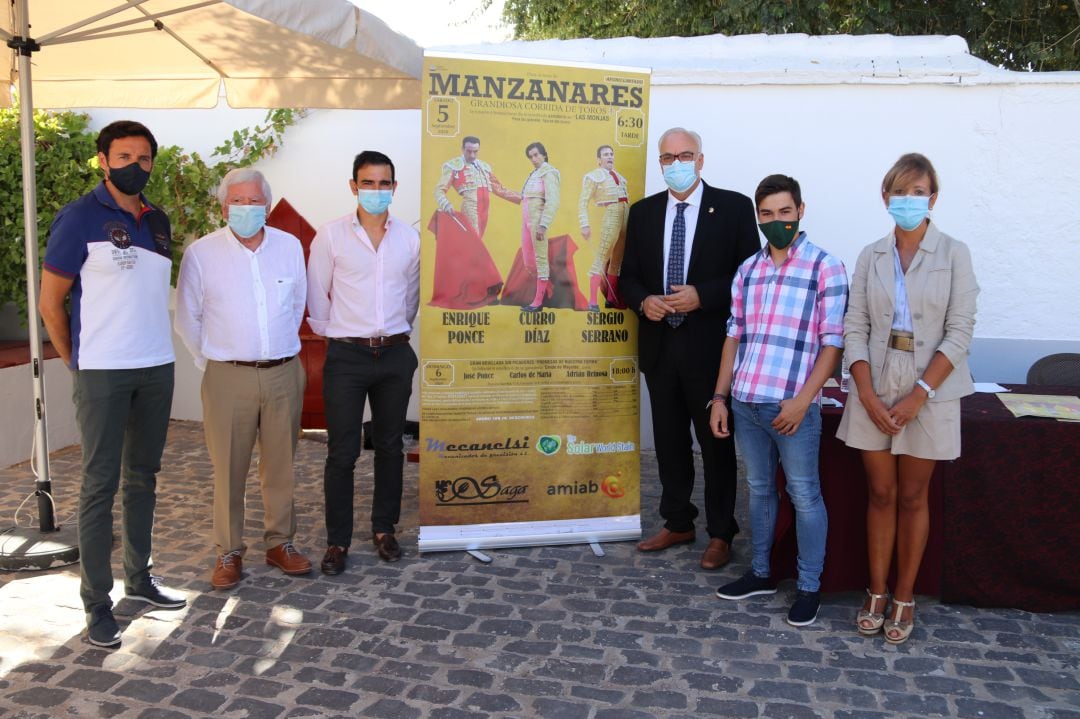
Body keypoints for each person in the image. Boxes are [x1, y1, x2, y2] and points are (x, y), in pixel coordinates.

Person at [39, 120, 186, 648]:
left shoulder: (158, 221)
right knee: (99, 486)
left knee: (143, 476)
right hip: (101, 371)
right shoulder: (79, 218)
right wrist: (77, 362)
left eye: (145, 158)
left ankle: (140, 578)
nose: (135, 166)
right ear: (103, 159)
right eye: (124, 156)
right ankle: (97, 604)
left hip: (156, 367)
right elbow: (50, 302)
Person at [837, 153, 978, 644]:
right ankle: (875, 589)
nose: (909, 201)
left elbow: (960, 332)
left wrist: (920, 393)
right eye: (900, 192)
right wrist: (866, 391)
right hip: (874, 380)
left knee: (915, 496)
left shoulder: (953, 253)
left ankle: (904, 594)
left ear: (933, 198)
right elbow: (854, 325)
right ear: (885, 198)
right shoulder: (869, 255)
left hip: (931, 386)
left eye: (918, 192)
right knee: (880, 493)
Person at [710, 175, 849, 626]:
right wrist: (720, 398)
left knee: (805, 495)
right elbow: (734, 337)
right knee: (759, 490)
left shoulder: (825, 267)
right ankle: (762, 572)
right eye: (766, 214)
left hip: (793, 407)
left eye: (784, 213)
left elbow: (833, 344)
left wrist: (804, 400)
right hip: (747, 403)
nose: (776, 222)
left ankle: (809, 587)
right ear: (759, 217)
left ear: (800, 211)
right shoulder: (748, 270)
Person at [620, 127, 760, 569]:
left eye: (685, 155)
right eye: (667, 157)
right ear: (660, 163)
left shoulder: (734, 208)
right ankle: (678, 520)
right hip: (661, 347)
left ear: (700, 160)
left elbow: (748, 275)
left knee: (716, 444)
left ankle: (721, 533)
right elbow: (627, 278)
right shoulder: (642, 213)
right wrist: (644, 301)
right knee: (669, 441)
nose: (676, 164)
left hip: (711, 351)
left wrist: (704, 294)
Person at [175, 168, 311, 591]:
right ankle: (229, 551)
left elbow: (297, 304)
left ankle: (280, 543)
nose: (247, 209)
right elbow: (187, 318)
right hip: (226, 376)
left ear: (267, 206)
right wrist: (214, 361)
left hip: (283, 374)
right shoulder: (201, 254)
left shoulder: (289, 247)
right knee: (228, 470)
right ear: (223, 207)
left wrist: (275, 350)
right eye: (238, 201)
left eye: (255, 201)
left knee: (281, 466)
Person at [307, 151, 420, 571]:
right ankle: (337, 541)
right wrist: (341, 336)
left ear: (394, 186)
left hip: (394, 354)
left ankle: (383, 529)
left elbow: (410, 298)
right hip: (347, 356)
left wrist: (393, 332)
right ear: (354, 186)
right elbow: (317, 295)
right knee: (342, 452)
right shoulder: (331, 236)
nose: (376, 191)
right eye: (368, 183)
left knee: (391, 446)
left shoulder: (409, 239)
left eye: (384, 183)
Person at [430, 135, 514, 308]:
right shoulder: (453, 166)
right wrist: (445, 203)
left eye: (475, 151)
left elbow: (499, 189)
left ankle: (478, 292)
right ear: (462, 149)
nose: (472, 155)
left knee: (475, 252)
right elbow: (439, 190)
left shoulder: (483, 167)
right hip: (470, 210)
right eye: (469, 151)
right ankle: (482, 294)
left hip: (484, 212)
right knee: (476, 252)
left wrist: (524, 198)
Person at [502, 141, 561, 311]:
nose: (533, 159)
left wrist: (543, 225)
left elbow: (553, 201)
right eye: (530, 156)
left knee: (540, 259)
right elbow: (522, 198)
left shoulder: (550, 172)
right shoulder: (533, 174)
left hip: (537, 222)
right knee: (529, 261)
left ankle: (537, 302)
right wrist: (498, 189)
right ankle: (547, 288)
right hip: (526, 222)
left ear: (544, 154)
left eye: (536, 155)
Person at [578, 144, 630, 310]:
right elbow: (583, 201)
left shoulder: (619, 176)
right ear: (599, 160)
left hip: (625, 212)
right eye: (606, 154)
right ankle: (593, 300)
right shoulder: (593, 176)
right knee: (602, 255)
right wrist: (584, 224)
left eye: (611, 154)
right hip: (611, 212)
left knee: (617, 259)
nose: (610, 157)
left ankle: (610, 298)